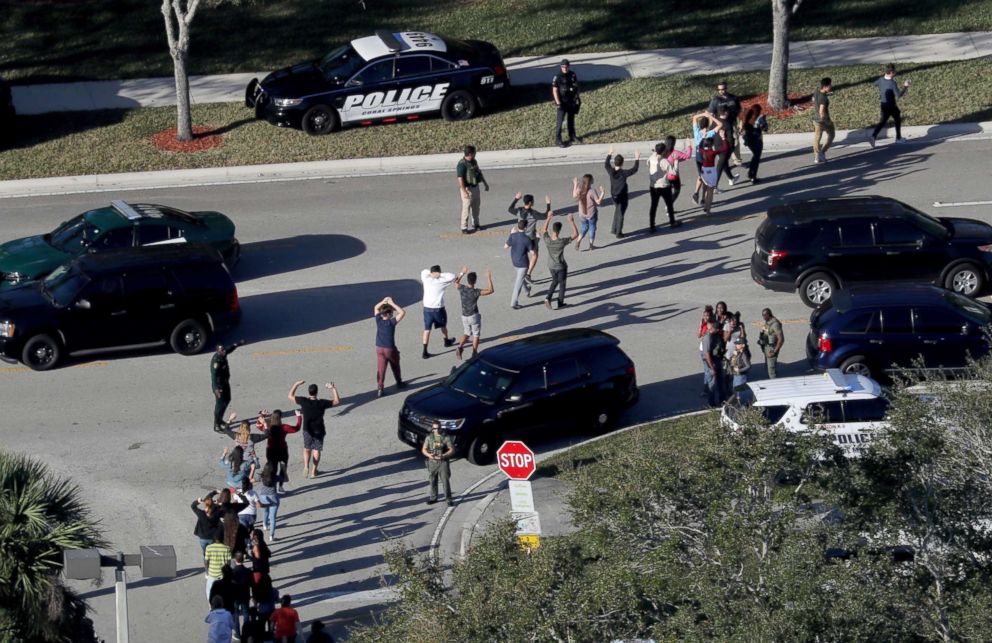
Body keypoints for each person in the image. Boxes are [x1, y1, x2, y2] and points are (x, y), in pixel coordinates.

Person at [288, 380, 340, 479]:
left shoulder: (303, 401)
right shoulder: (321, 403)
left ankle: (306, 466)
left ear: (309, 392)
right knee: (316, 450)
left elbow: (290, 396)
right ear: (317, 392)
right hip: (319, 430)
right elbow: (337, 401)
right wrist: (333, 388)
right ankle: (314, 471)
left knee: (307, 448)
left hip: (307, 429)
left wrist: (296, 384)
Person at [420, 264, 462, 358]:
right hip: (438, 309)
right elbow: (452, 276)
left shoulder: (426, 279)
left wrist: (431, 274)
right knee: (443, 326)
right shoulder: (442, 280)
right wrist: (440, 274)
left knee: (427, 330)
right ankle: (446, 341)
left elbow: (424, 271)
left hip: (427, 309)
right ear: (439, 272)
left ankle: (424, 351)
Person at [453, 269, 495, 360]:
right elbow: (491, 290)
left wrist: (462, 273)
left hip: (464, 316)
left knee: (466, 333)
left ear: (467, 280)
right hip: (474, 316)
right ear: (475, 281)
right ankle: (474, 353)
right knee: (476, 334)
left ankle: (460, 347)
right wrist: (488, 278)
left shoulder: (462, 288)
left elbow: (455, 283)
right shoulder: (476, 292)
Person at [257, 409, 301, 492]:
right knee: (283, 468)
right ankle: (281, 486)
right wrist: (299, 416)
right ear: (280, 417)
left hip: (270, 451)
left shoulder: (268, 427)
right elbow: (297, 428)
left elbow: (258, 425)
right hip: (282, 451)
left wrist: (262, 415)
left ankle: (271, 486)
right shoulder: (284, 427)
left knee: (272, 468)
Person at [542, 210, 578, 310]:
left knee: (554, 280)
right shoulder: (561, 242)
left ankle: (548, 298)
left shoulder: (547, 240)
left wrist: (548, 218)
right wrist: (571, 221)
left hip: (551, 265)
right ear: (559, 231)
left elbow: (544, 229)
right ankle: (559, 302)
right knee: (562, 283)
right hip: (561, 266)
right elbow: (575, 234)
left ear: (552, 230)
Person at [372, 296, 407, 397]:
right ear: (388, 314)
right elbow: (402, 312)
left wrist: (383, 301)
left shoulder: (378, 320)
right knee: (395, 365)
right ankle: (399, 382)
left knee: (381, 369)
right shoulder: (391, 322)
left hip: (379, 348)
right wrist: (392, 303)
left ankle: (380, 388)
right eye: (391, 313)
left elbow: (375, 307)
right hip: (389, 349)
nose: (392, 314)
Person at [869, 64, 910, 147]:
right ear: (891, 72)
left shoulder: (880, 80)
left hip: (883, 105)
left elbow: (874, 83)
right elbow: (898, 95)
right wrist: (905, 87)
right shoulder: (892, 83)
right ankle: (898, 138)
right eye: (894, 71)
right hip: (892, 106)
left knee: (882, 122)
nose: (896, 72)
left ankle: (873, 136)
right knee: (897, 119)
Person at [508, 193, 550, 273]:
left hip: (520, 236)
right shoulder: (533, 213)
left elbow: (510, 209)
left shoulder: (519, 211)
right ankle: (528, 273)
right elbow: (545, 216)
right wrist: (548, 203)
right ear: (530, 203)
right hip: (530, 239)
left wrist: (516, 199)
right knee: (535, 255)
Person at [211, 340, 246, 433]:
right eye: (222, 350)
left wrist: (237, 344)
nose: (224, 351)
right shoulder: (216, 361)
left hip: (225, 382)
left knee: (227, 400)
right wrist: (216, 389)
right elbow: (213, 376)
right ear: (217, 351)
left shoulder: (223, 354)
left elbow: (229, 350)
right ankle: (216, 425)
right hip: (219, 386)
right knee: (220, 406)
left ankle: (220, 420)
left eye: (223, 349)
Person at [605, 145, 640, 238]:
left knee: (617, 210)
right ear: (622, 163)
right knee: (621, 214)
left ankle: (613, 229)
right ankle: (618, 233)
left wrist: (609, 153)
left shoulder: (610, 171)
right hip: (622, 197)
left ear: (615, 163)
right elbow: (634, 169)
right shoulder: (624, 173)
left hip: (614, 196)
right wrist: (637, 158)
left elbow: (606, 164)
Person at [707, 80, 743, 170]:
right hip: (720, 125)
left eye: (723, 89)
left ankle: (737, 160)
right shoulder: (715, 100)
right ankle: (722, 161)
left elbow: (739, 112)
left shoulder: (733, 98)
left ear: (726, 88)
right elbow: (711, 114)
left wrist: (741, 122)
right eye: (719, 89)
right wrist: (711, 127)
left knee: (736, 142)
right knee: (720, 143)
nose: (721, 91)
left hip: (732, 123)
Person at [505, 220, 537, 309]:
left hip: (514, 262)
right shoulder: (527, 239)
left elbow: (506, 246)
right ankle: (513, 303)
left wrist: (511, 234)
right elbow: (533, 253)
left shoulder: (513, 235)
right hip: (523, 264)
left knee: (520, 278)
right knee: (517, 284)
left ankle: (527, 290)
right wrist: (534, 241)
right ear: (526, 228)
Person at [456, 145, 489, 233]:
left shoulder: (474, 161)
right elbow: (460, 179)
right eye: (474, 153)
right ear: (470, 154)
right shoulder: (461, 164)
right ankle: (464, 227)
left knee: (476, 207)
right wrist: (464, 191)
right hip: (467, 189)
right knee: (466, 208)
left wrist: (485, 183)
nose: (475, 154)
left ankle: (476, 224)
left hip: (475, 187)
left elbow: (479, 172)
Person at [421, 421, 455, 506]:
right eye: (435, 428)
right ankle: (433, 498)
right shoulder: (429, 437)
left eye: (439, 428)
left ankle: (448, 499)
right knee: (432, 480)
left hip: (443, 462)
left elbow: (452, 449)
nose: (437, 430)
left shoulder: (445, 437)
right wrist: (430, 455)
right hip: (432, 462)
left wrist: (443, 455)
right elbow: (424, 449)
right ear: (432, 429)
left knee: (445, 481)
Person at [690, 113, 721, 204]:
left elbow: (694, 117)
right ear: (707, 125)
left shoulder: (696, 131)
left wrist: (704, 114)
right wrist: (711, 116)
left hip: (698, 155)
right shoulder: (709, 133)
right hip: (707, 156)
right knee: (706, 178)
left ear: (700, 125)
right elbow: (720, 125)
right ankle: (703, 198)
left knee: (701, 175)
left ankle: (696, 194)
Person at [552, 59, 581, 147]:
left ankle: (572, 135)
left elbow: (576, 86)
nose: (565, 68)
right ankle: (558, 140)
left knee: (571, 120)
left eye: (566, 67)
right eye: (563, 67)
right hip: (562, 102)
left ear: (569, 66)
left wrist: (577, 97)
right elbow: (555, 90)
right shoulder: (557, 77)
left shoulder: (573, 74)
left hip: (571, 101)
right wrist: (558, 103)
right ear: (561, 67)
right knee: (560, 122)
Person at [698, 134, 729, 215]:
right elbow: (725, 148)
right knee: (710, 193)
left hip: (704, 171)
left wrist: (703, 137)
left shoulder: (702, 151)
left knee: (705, 189)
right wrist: (723, 138)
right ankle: (708, 210)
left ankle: (704, 205)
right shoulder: (713, 152)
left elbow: (699, 146)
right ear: (712, 145)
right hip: (711, 172)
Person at [572, 174, 605, 251]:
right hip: (591, 215)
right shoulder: (592, 191)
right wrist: (603, 193)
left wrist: (575, 184)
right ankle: (591, 245)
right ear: (591, 182)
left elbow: (574, 195)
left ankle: (578, 241)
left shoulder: (580, 189)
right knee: (592, 228)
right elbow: (598, 202)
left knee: (584, 227)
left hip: (582, 214)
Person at [700, 321, 726, 407]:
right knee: (712, 385)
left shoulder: (715, 335)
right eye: (718, 330)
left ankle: (722, 401)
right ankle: (712, 404)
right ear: (715, 329)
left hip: (717, 361)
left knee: (720, 383)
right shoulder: (707, 337)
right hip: (711, 363)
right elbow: (707, 354)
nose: (719, 331)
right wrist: (712, 368)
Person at [254, 461, 281, 541]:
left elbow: (254, 480)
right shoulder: (275, 477)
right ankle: (271, 536)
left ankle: (265, 525)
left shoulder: (261, 476)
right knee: (273, 518)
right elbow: (285, 478)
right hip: (273, 498)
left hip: (263, 498)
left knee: (265, 512)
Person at [741, 105, 768, 182]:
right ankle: (752, 175)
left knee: (755, 156)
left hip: (749, 140)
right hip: (757, 140)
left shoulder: (747, 118)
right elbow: (765, 129)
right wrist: (764, 120)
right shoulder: (760, 119)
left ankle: (751, 173)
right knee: (756, 158)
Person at [230, 550, 254, 635]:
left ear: (235, 560)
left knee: (235, 615)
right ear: (243, 559)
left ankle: (237, 633)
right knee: (246, 613)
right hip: (245, 595)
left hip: (235, 596)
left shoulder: (232, 572)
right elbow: (252, 584)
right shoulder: (248, 571)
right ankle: (246, 632)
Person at [812, 77, 834, 164]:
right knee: (831, 135)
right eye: (829, 85)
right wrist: (826, 121)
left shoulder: (817, 90)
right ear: (824, 86)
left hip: (816, 120)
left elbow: (813, 99)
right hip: (824, 120)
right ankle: (822, 152)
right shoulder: (823, 99)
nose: (831, 86)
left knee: (817, 138)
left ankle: (817, 157)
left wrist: (826, 95)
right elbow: (821, 111)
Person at [204, 533, 231, 601]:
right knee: (223, 592)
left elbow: (206, 561)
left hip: (212, 574)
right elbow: (228, 562)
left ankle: (211, 606)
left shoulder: (209, 548)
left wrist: (207, 572)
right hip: (222, 575)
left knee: (209, 591)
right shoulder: (227, 548)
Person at [759, 308, 785, 379]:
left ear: (769, 314)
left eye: (765, 315)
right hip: (766, 347)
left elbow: (781, 339)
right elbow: (764, 332)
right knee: (768, 366)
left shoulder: (775, 324)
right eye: (762, 315)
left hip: (772, 348)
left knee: (771, 370)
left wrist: (774, 351)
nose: (763, 317)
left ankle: (773, 383)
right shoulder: (768, 322)